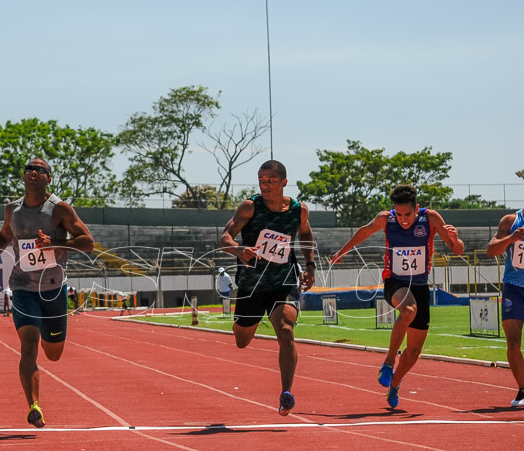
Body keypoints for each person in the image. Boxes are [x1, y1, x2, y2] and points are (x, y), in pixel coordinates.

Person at [0, 158, 94, 428]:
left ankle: (46, 334)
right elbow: (5, 236)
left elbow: (88, 243)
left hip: (53, 290)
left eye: (40, 170)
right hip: (23, 288)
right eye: (28, 169)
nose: (33, 173)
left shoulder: (59, 209)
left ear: (48, 179)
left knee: (52, 354)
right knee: (28, 346)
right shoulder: (12, 210)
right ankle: (34, 406)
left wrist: (56, 243)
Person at [331, 184, 464, 409]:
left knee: (413, 352)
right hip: (395, 281)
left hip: (420, 285)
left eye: (408, 215)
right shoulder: (386, 219)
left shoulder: (430, 218)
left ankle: (395, 382)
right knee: (408, 310)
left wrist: (455, 238)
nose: (403, 219)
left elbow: (458, 250)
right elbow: (364, 231)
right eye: (399, 214)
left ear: (417, 209)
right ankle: (389, 361)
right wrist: (342, 251)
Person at [219, 160, 315, 416]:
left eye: (270, 180)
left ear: (284, 182)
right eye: (261, 180)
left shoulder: (298, 210)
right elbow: (224, 238)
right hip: (252, 284)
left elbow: (305, 234)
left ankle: (286, 393)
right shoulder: (251, 206)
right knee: (242, 341)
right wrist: (237, 249)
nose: (265, 185)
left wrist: (310, 265)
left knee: (285, 330)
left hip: (283, 281)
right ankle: (245, 321)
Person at [485, 208, 524, 407]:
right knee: (513, 343)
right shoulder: (511, 221)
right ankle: (523, 389)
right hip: (514, 287)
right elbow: (491, 251)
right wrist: (511, 237)